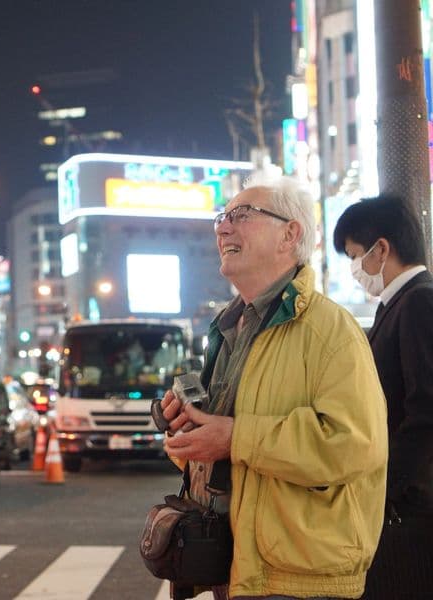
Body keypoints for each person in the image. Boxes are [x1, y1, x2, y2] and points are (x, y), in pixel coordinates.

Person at [158, 175, 387, 600]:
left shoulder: (330, 329)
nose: (223, 228)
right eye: (221, 218)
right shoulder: (230, 326)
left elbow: (354, 443)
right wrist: (188, 436)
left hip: (299, 577)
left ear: (290, 233)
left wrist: (233, 437)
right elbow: (225, 454)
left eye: (241, 215)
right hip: (235, 565)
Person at [333, 195, 433, 599]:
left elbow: (426, 408)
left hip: (410, 509)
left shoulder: (419, 302)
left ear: (382, 249)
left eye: (355, 255)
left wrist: (386, 489)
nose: (355, 269)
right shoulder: (396, 305)